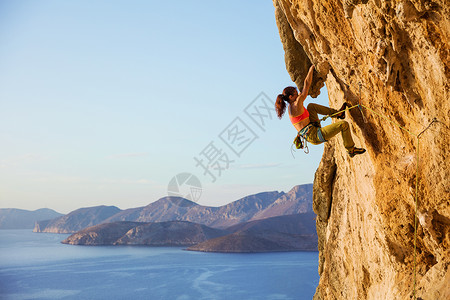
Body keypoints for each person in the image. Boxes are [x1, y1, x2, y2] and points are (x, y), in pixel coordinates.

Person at [275, 65, 366, 157]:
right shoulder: (297, 103)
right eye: (295, 94)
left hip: (312, 127)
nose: (298, 94)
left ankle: (338, 114)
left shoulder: (291, 108)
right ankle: (350, 150)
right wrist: (311, 69)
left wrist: (298, 95)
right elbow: (306, 84)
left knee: (311, 106)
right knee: (343, 125)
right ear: (291, 97)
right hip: (314, 136)